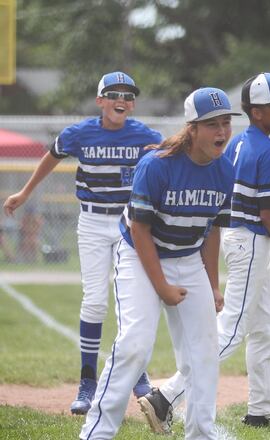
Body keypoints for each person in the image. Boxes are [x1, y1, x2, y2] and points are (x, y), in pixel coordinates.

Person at [138, 72, 270, 432]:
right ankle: (166, 396)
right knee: (233, 328)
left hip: (238, 238)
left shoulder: (236, 143)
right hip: (249, 239)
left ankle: (260, 408)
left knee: (266, 326)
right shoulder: (269, 151)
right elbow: (267, 213)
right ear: (256, 112)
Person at [78, 87, 238, 440]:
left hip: (188, 257)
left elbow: (213, 232)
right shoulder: (157, 165)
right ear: (192, 128)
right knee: (135, 342)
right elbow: (139, 229)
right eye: (212, 124)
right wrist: (162, 287)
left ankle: (200, 433)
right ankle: (96, 433)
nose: (222, 132)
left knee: (204, 352)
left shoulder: (226, 171)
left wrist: (212, 284)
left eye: (226, 122)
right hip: (140, 253)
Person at [3, 71, 162, 414]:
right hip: (91, 221)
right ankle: (87, 382)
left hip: (128, 223)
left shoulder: (145, 136)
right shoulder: (80, 133)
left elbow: (168, 158)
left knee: (131, 304)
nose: (121, 100)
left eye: (127, 95)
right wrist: (25, 192)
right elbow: (52, 155)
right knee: (94, 302)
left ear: (132, 103)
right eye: (113, 94)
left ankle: (138, 374)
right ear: (100, 100)